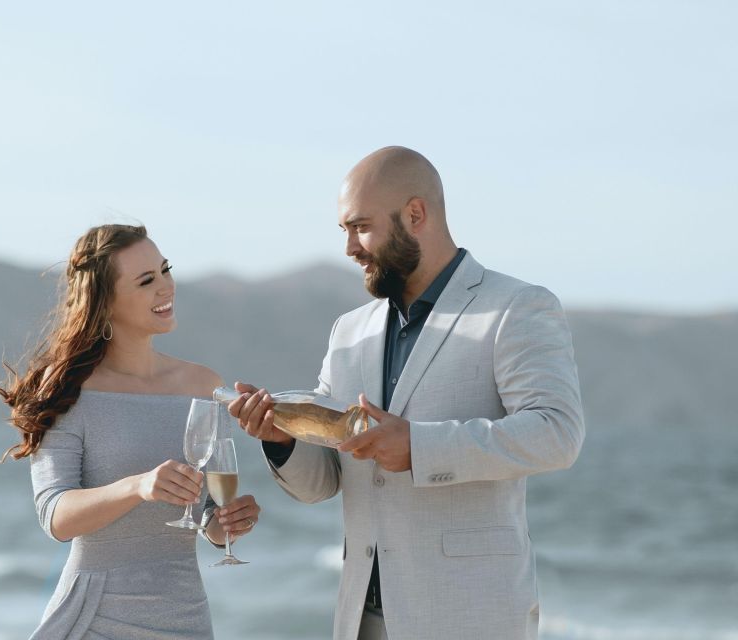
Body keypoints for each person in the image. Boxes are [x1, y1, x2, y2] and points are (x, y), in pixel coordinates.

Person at [228, 147, 585, 640]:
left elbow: (557, 433)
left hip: (470, 614)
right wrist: (281, 439)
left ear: (416, 214)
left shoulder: (517, 307)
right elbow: (324, 481)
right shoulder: (348, 331)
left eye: (361, 227)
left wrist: (419, 446)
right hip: (362, 617)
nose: (350, 247)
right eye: (344, 231)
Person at [0, 224, 260, 639]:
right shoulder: (67, 391)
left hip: (185, 614)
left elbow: (201, 513)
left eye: (165, 270)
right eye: (146, 280)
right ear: (106, 301)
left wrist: (224, 524)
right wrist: (138, 486)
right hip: (95, 616)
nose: (165, 287)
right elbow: (55, 517)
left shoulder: (203, 385)